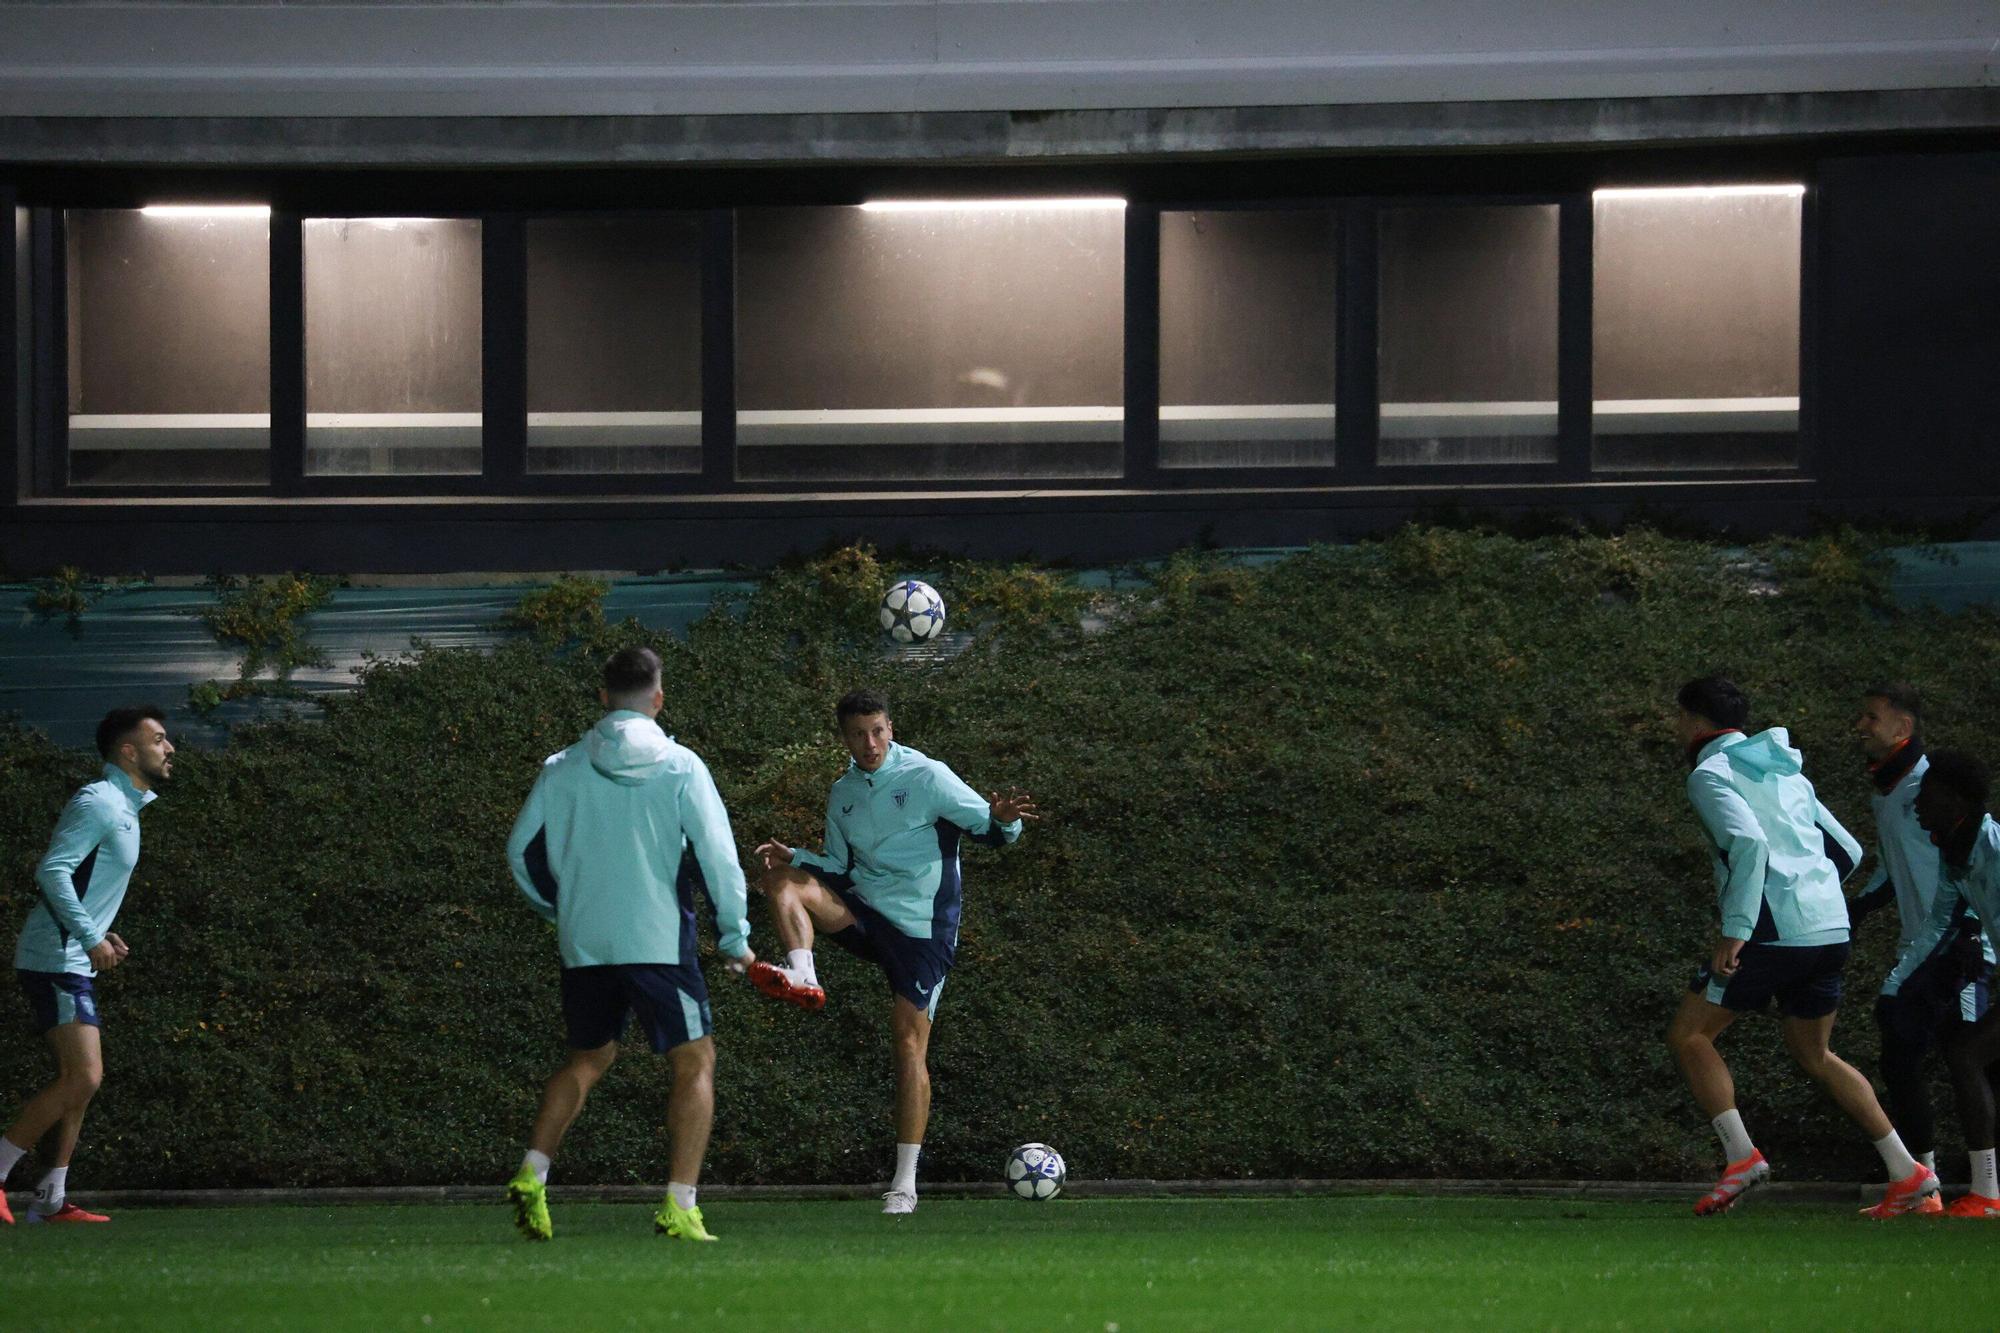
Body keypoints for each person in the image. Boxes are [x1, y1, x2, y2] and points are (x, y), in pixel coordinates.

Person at [748, 688, 1035, 1215]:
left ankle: (905, 1184)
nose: (869, 742)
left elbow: (994, 833)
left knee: (907, 1041)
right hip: (865, 912)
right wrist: (800, 855)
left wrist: (1003, 819)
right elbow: (839, 866)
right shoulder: (843, 794)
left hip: (923, 930)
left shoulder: (927, 776)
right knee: (782, 880)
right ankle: (804, 977)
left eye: (877, 730)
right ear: (845, 738)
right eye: (858, 734)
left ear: (891, 728)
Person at [503, 646, 754, 1243]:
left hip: (584, 941)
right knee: (695, 1062)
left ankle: (532, 1175)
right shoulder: (682, 766)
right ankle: (679, 1204)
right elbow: (719, 858)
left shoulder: (561, 766)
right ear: (659, 700)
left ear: (602, 697)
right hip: (660, 943)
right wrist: (735, 935)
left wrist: (561, 910)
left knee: (587, 1060)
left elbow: (521, 853)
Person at [1662, 675, 1937, 1218]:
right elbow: (1848, 849)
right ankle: (1908, 1173)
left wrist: (1737, 928)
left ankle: (1741, 1158)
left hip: (1770, 932)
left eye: (1678, 718)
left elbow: (1748, 844)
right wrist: (1808, 891)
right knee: (1816, 1053)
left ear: (1695, 721)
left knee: (1689, 1034)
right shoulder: (1785, 769)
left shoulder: (1709, 774)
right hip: (1829, 929)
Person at [0, 705, 174, 1226]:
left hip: (74, 955)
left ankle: (51, 1198)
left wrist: (102, 933)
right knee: (85, 1077)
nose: (170, 749)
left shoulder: (127, 807)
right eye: (160, 739)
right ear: (128, 750)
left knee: (77, 1078)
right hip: (53, 957)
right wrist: (88, 934)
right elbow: (52, 871)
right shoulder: (99, 801)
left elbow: (84, 886)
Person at [1852, 684, 1992, 1201]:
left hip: (1958, 948)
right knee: (1908, 1055)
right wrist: (1856, 910)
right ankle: (1924, 1183)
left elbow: (1965, 872)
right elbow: (1895, 868)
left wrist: (1970, 935)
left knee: (1969, 1058)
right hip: (1925, 944)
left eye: (1871, 716)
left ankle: (1977, 1188)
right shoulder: (1887, 790)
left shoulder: (1930, 788)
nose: (1861, 725)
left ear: (1903, 729)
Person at [1882, 750, 2000, 1217]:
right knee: (1980, 1060)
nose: (1918, 804)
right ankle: (1988, 1192)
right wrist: (1897, 985)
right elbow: (1937, 924)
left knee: (1967, 1054)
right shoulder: (1959, 853)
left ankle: (1988, 1195)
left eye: (1927, 794)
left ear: (1955, 799)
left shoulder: (1989, 850)